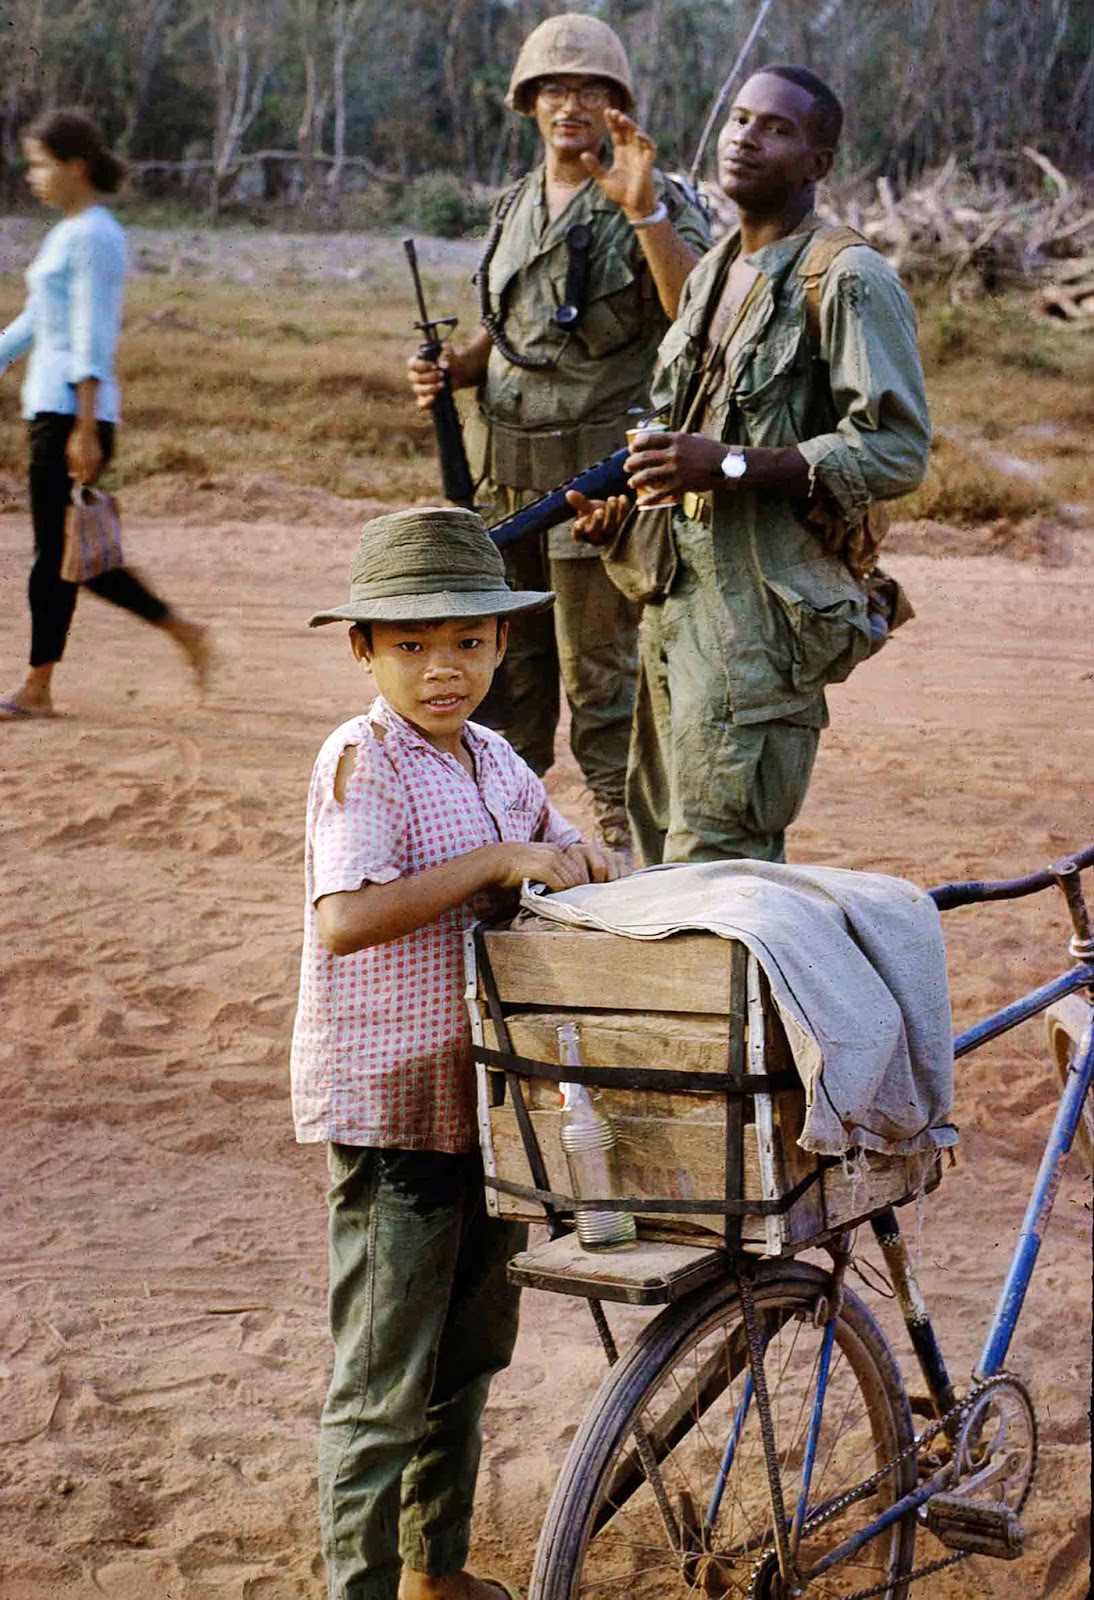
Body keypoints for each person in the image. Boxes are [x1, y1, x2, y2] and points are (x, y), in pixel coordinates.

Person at [291, 505, 618, 1600]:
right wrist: (498, 860)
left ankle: (434, 1569)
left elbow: (565, 849)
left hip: (484, 1105)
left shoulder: (493, 758)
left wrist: (590, 860)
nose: (446, 668)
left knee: (467, 1358)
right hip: (392, 1110)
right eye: (414, 644)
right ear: (365, 649)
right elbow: (345, 916)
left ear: (502, 642)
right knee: (381, 1381)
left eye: (468, 641)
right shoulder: (362, 761)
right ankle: (361, 1586)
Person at [568, 64, 931, 866]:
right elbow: (696, 418)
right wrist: (627, 515)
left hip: (758, 633)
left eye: (777, 127)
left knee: (722, 865)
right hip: (678, 612)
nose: (746, 139)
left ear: (819, 161)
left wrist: (727, 465)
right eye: (738, 120)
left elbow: (898, 449)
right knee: (663, 849)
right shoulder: (720, 266)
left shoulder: (847, 278)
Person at [407, 12, 711, 852]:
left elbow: (702, 318)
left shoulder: (652, 202)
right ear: (527, 102)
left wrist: (647, 215)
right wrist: (454, 369)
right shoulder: (513, 206)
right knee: (506, 680)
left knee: (605, 684)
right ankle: (494, 841)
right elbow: (510, 330)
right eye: (552, 88)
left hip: (596, 489)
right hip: (502, 482)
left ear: (616, 105)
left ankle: (631, 853)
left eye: (588, 89)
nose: (568, 104)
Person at [0, 110, 208, 721]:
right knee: (74, 558)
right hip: (53, 412)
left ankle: (39, 689)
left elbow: (90, 335)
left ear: (75, 166)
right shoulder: (68, 234)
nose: (33, 175)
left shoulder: (94, 234)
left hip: (72, 415)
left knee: (62, 558)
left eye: (41, 163)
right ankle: (180, 632)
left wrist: (87, 428)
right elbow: (32, 326)